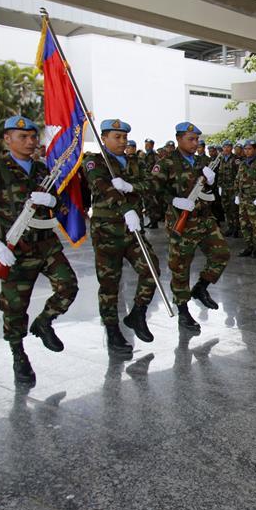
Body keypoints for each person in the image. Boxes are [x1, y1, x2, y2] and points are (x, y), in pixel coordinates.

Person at [0, 116, 79, 386]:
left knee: (68, 286)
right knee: (15, 308)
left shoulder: (43, 170)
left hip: (46, 243)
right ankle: (18, 355)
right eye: (23, 137)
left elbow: (62, 205)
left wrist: (53, 200)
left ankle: (44, 321)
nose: (31, 142)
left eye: (33, 137)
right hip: (15, 248)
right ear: (7, 139)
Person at [82, 119, 161, 353]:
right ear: (104, 139)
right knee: (109, 284)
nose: (122, 141)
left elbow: (151, 184)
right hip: (107, 230)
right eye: (117, 137)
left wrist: (129, 186)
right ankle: (112, 330)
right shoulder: (94, 161)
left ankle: (137, 314)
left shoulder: (134, 162)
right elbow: (100, 186)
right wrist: (125, 206)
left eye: (125, 137)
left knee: (151, 270)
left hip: (132, 228)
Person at [151, 122, 230, 330]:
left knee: (221, 253)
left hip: (204, 219)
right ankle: (183, 312)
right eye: (191, 139)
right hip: (181, 223)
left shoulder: (202, 161)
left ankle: (201, 287)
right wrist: (173, 200)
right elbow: (153, 189)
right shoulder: (166, 163)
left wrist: (212, 180)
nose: (195, 143)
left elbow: (208, 186)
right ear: (179, 139)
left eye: (197, 139)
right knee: (180, 267)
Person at [234, 140, 256, 257]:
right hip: (243, 200)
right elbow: (237, 181)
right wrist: (236, 195)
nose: (247, 151)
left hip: (254, 200)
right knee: (244, 225)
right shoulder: (242, 164)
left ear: (254, 150)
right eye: (245, 149)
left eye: (249, 149)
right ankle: (248, 246)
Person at [216, 140, 240, 237]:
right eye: (224, 147)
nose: (226, 148)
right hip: (224, 188)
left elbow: (239, 175)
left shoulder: (236, 159)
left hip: (233, 189)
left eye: (228, 146)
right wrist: (219, 186)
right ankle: (230, 227)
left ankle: (236, 229)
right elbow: (220, 174)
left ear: (231, 148)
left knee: (234, 209)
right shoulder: (221, 159)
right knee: (226, 209)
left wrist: (238, 190)